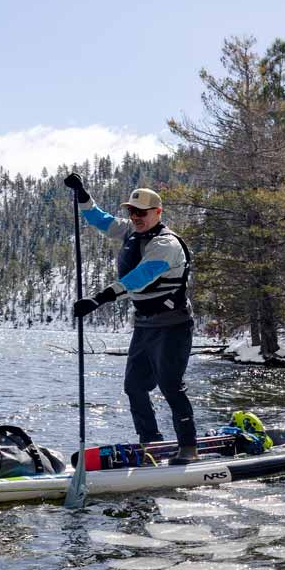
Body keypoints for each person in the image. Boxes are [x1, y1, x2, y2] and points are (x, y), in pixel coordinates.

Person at [64, 173, 199, 463]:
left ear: (158, 212)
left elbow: (140, 278)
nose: (135, 217)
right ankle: (151, 442)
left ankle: (189, 448)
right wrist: (82, 194)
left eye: (142, 212)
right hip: (145, 324)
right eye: (132, 211)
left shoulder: (167, 245)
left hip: (173, 325)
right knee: (135, 386)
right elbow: (100, 220)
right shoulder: (130, 232)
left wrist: (98, 299)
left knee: (170, 386)